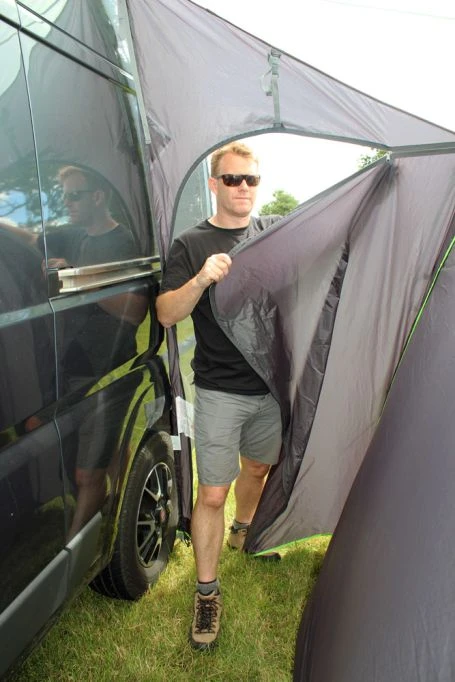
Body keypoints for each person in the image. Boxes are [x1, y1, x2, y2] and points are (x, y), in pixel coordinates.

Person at [156, 141, 282, 650]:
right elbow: (166, 313)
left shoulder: (274, 233)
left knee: (258, 468)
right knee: (212, 493)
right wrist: (202, 278)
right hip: (219, 390)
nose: (243, 188)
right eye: (232, 179)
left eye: (251, 179)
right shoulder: (191, 243)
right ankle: (206, 593)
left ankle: (244, 529)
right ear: (214, 184)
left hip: (270, 385)